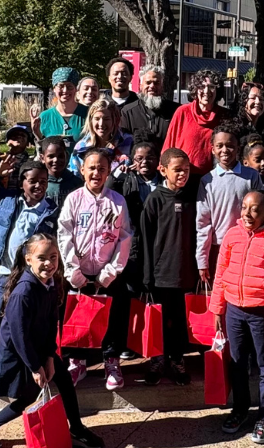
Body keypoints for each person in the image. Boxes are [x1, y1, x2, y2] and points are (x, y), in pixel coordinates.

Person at [0, 233, 104, 448]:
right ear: (28, 259)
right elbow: (19, 335)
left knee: (65, 381)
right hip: (21, 354)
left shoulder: (50, 284)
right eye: (42, 258)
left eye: (53, 257)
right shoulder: (23, 292)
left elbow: (53, 322)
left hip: (41, 349)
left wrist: (51, 357)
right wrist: (35, 367)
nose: (49, 264)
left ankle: (77, 429)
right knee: (28, 396)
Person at [209, 191, 264, 444]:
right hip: (234, 311)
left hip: (263, 313)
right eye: (245, 207)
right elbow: (220, 272)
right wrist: (217, 308)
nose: (248, 214)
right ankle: (240, 409)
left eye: (255, 209)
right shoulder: (232, 235)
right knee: (236, 362)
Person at [0, 159, 58, 388]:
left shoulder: (51, 210)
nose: (39, 186)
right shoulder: (7, 201)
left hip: (32, 278)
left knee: (28, 324)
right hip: (5, 274)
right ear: (22, 183)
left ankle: (31, 366)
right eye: (33, 181)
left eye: (43, 181)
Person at [57, 149, 133, 390]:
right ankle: (77, 363)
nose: (96, 173)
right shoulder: (74, 199)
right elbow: (64, 235)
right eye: (91, 168)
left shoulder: (117, 202)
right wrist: (73, 272)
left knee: (111, 318)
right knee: (75, 318)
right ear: (82, 171)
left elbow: (124, 237)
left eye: (101, 168)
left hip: (106, 274)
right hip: (78, 273)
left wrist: (110, 272)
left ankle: (111, 361)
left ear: (108, 171)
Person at [141, 148, 198, 386]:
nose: (182, 174)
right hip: (160, 275)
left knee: (179, 321)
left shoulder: (191, 197)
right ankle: (158, 360)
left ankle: (177, 360)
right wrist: (147, 275)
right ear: (163, 170)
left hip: (184, 273)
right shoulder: (155, 199)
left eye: (186, 170)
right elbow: (144, 238)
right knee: (160, 322)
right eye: (177, 170)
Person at [106, 141, 162, 360]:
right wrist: (120, 173)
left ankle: (155, 343)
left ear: (158, 161)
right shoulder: (127, 181)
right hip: (134, 248)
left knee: (156, 297)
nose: (144, 162)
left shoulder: (164, 182)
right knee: (129, 296)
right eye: (139, 158)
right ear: (132, 160)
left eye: (149, 158)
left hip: (158, 247)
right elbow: (108, 189)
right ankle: (129, 341)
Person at [196, 122, 262, 282]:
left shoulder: (251, 176)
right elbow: (203, 224)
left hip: (247, 244)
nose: (225, 150)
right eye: (220, 146)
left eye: (230, 145)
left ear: (238, 148)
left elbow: (261, 213)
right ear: (212, 149)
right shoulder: (207, 181)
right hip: (218, 248)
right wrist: (202, 260)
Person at [162, 69, 229, 178]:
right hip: (183, 177)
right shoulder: (183, 112)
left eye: (212, 87)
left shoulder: (224, 116)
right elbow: (169, 146)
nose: (206, 91)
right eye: (202, 87)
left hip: (215, 178)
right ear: (195, 89)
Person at [68, 98, 132, 175]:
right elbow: (74, 177)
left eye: (106, 119)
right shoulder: (81, 147)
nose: (101, 124)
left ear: (115, 120)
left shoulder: (129, 142)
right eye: (97, 119)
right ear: (91, 121)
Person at [121, 65, 180, 148]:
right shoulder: (128, 112)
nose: (152, 86)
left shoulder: (176, 111)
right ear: (140, 86)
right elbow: (124, 144)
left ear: (162, 86)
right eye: (148, 83)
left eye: (157, 83)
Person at [37, 67, 88, 149]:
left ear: (76, 89)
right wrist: (37, 134)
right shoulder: (45, 117)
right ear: (54, 89)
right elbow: (41, 149)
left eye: (69, 87)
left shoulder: (88, 114)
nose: (65, 90)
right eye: (61, 86)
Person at [39, 136, 83, 211]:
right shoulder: (39, 183)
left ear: (66, 156)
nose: (56, 160)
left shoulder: (77, 183)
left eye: (60, 156)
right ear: (42, 158)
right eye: (51, 156)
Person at [237, 82, 264, 151]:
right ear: (243, 100)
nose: (257, 102)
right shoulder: (235, 128)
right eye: (253, 98)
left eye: (261, 99)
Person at [2, 125, 31, 190]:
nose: (19, 136)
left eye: (23, 135)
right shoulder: (1, 158)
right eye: (14, 135)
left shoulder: (30, 161)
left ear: (27, 143)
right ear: (7, 141)